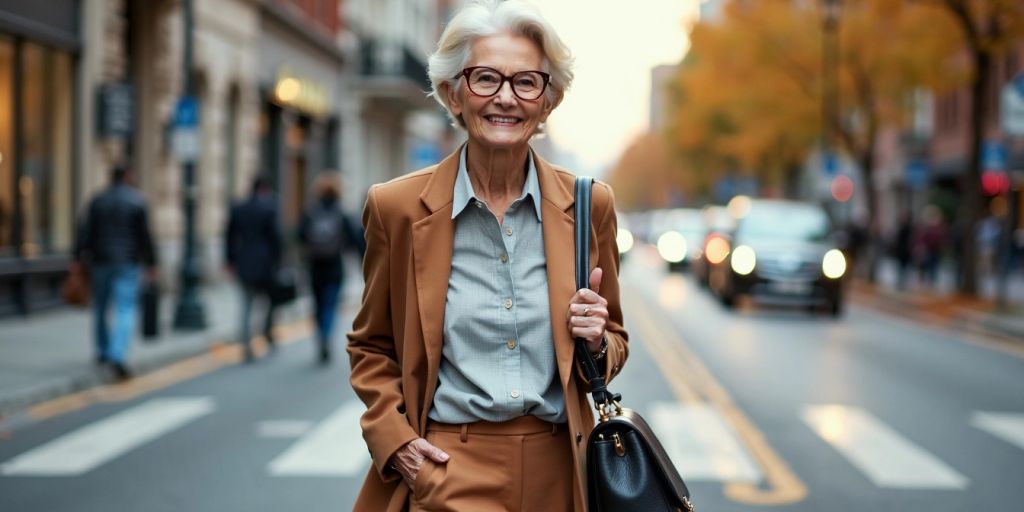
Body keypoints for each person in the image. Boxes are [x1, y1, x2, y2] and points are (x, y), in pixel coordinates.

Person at [346, 2, 628, 511]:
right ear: (454, 92)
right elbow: (371, 346)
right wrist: (399, 445)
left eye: (526, 82)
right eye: (485, 79)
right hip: (448, 469)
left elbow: (614, 344)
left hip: (561, 471)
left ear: (548, 101)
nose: (505, 98)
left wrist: (597, 340)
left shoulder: (590, 205)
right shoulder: (397, 208)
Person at [73, 164, 157, 380]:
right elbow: (145, 237)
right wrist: (152, 263)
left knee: (100, 307)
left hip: (100, 261)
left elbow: (84, 232)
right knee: (125, 308)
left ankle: (102, 352)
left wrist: (76, 258)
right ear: (128, 176)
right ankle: (117, 354)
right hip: (127, 261)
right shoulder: (137, 201)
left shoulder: (97, 200)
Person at [298, 175, 365, 364]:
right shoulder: (341, 213)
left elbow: (300, 235)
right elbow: (353, 241)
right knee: (330, 305)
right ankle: (326, 335)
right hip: (335, 268)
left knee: (317, 305)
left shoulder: (311, 212)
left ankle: (320, 334)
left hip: (314, 267)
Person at [225, 175, 282, 363]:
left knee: (246, 305)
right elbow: (276, 238)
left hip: (245, 262)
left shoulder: (239, 208)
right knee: (271, 301)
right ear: (265, 188)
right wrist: (279, 261)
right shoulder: (269, 208)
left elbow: (229, 236)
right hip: (266, 263)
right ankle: (267, 330)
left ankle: (246, 345)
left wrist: (230, 260)